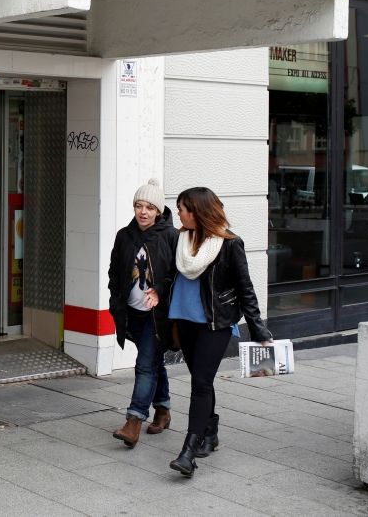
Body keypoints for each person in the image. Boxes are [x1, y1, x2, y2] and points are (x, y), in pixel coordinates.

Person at [168, 187, 273, 477]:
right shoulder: (180, 240)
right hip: (184, 320)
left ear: (198, 212)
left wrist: (258, 329)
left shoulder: (230, 244)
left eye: (182, 208)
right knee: (201, 378)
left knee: (200, 382)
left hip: (216, 323)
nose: (179, 213)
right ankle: (210, 432)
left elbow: (245, 288)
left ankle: (189, 450)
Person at [108, 178, 179, 448]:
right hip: (130, 312)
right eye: (139, 205)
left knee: (145, 365)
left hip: (157, 315)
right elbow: (115, 272)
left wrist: (159, 289)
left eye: (149, 207)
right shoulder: (124, 236)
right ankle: (163, 409)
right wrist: (116, 302)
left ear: (159, 211)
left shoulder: (171, 237)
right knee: (153, 361)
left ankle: (133, 420)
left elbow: (177, 273)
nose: (143, 212)